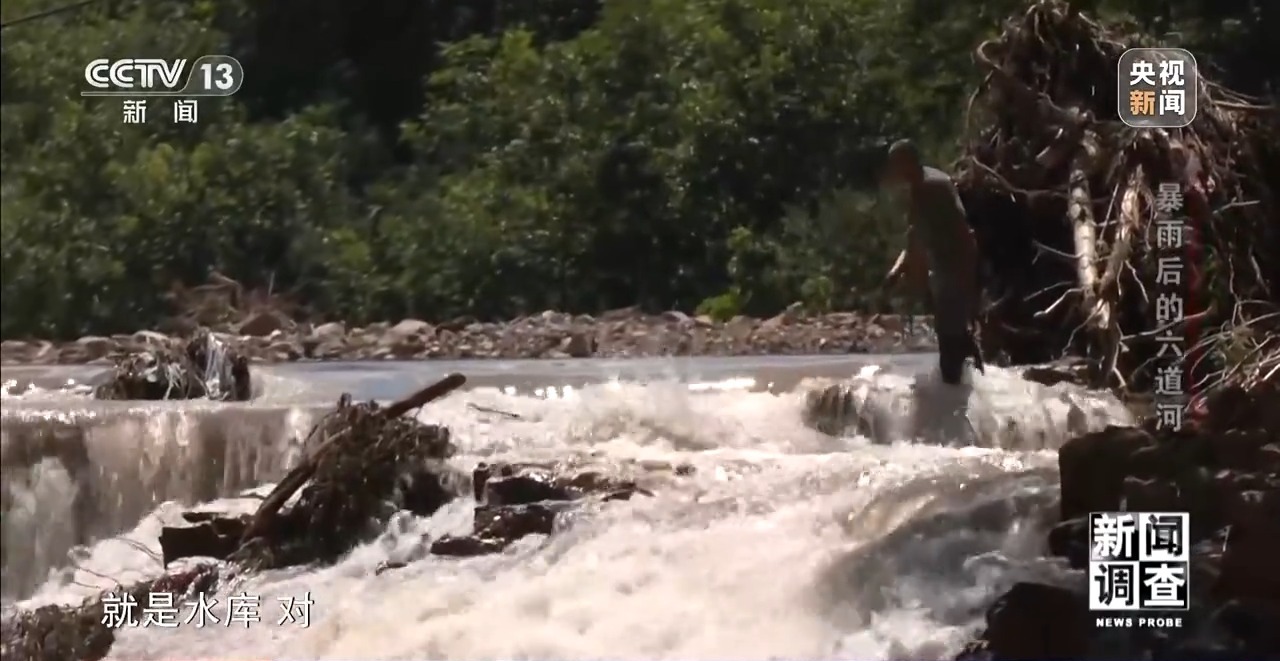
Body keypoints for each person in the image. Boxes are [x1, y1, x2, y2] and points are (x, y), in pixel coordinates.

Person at [881, 139, 985, 384]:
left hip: (955, 265)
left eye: (896, 164)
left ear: (907, 162)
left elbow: (959, 230)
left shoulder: (931, 187)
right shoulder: (923, 184)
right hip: (945, 267)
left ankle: (960, 390)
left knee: (950, 339)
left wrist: (966, 275)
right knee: (950, 333)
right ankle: (971, 382)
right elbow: (915, 237)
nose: (893, 170)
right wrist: (897, 271)